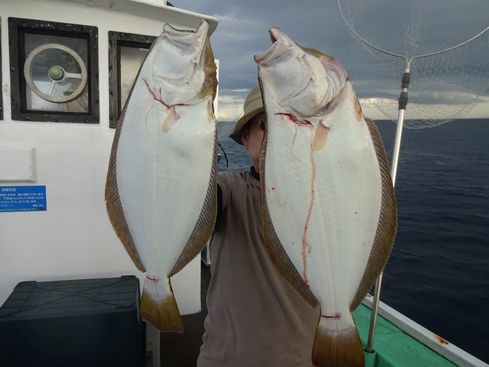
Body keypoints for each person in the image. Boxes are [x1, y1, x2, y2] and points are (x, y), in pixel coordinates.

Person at [197, 85, 320, 367]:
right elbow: (197, 204)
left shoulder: (321, 201)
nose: (278, 133)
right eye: (265, 124)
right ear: (245, 138)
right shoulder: (228, 189)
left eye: (287, 123)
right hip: (225, 359)